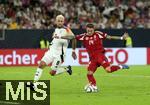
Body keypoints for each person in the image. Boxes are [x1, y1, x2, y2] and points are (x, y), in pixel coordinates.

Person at [60, 23, 129, 92]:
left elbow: (109, 37)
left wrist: (121, 38)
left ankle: (120, 66)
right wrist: (61, 37)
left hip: (100, 55)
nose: (89, 32)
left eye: (91, 31)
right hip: (92, 59)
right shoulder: (83, 36)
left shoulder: (98, 34)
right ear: (86, 30)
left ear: (93, 30)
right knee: (89, 74)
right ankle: (94, 86)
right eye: (88, 31)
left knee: (108, 70)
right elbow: (72, 37)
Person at [27, 15, 76, 90]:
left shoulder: (67, 29)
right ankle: (34, 84)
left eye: (61, 21)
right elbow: (55, 38)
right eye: (58, 21)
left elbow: (73, 37)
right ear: (56, 21)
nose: (60, 22)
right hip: (51, 51)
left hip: (60, 55)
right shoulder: (56, 29)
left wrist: (62, 38)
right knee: (41, 64)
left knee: (52, 73)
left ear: (64, 21)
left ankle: (66, 69)